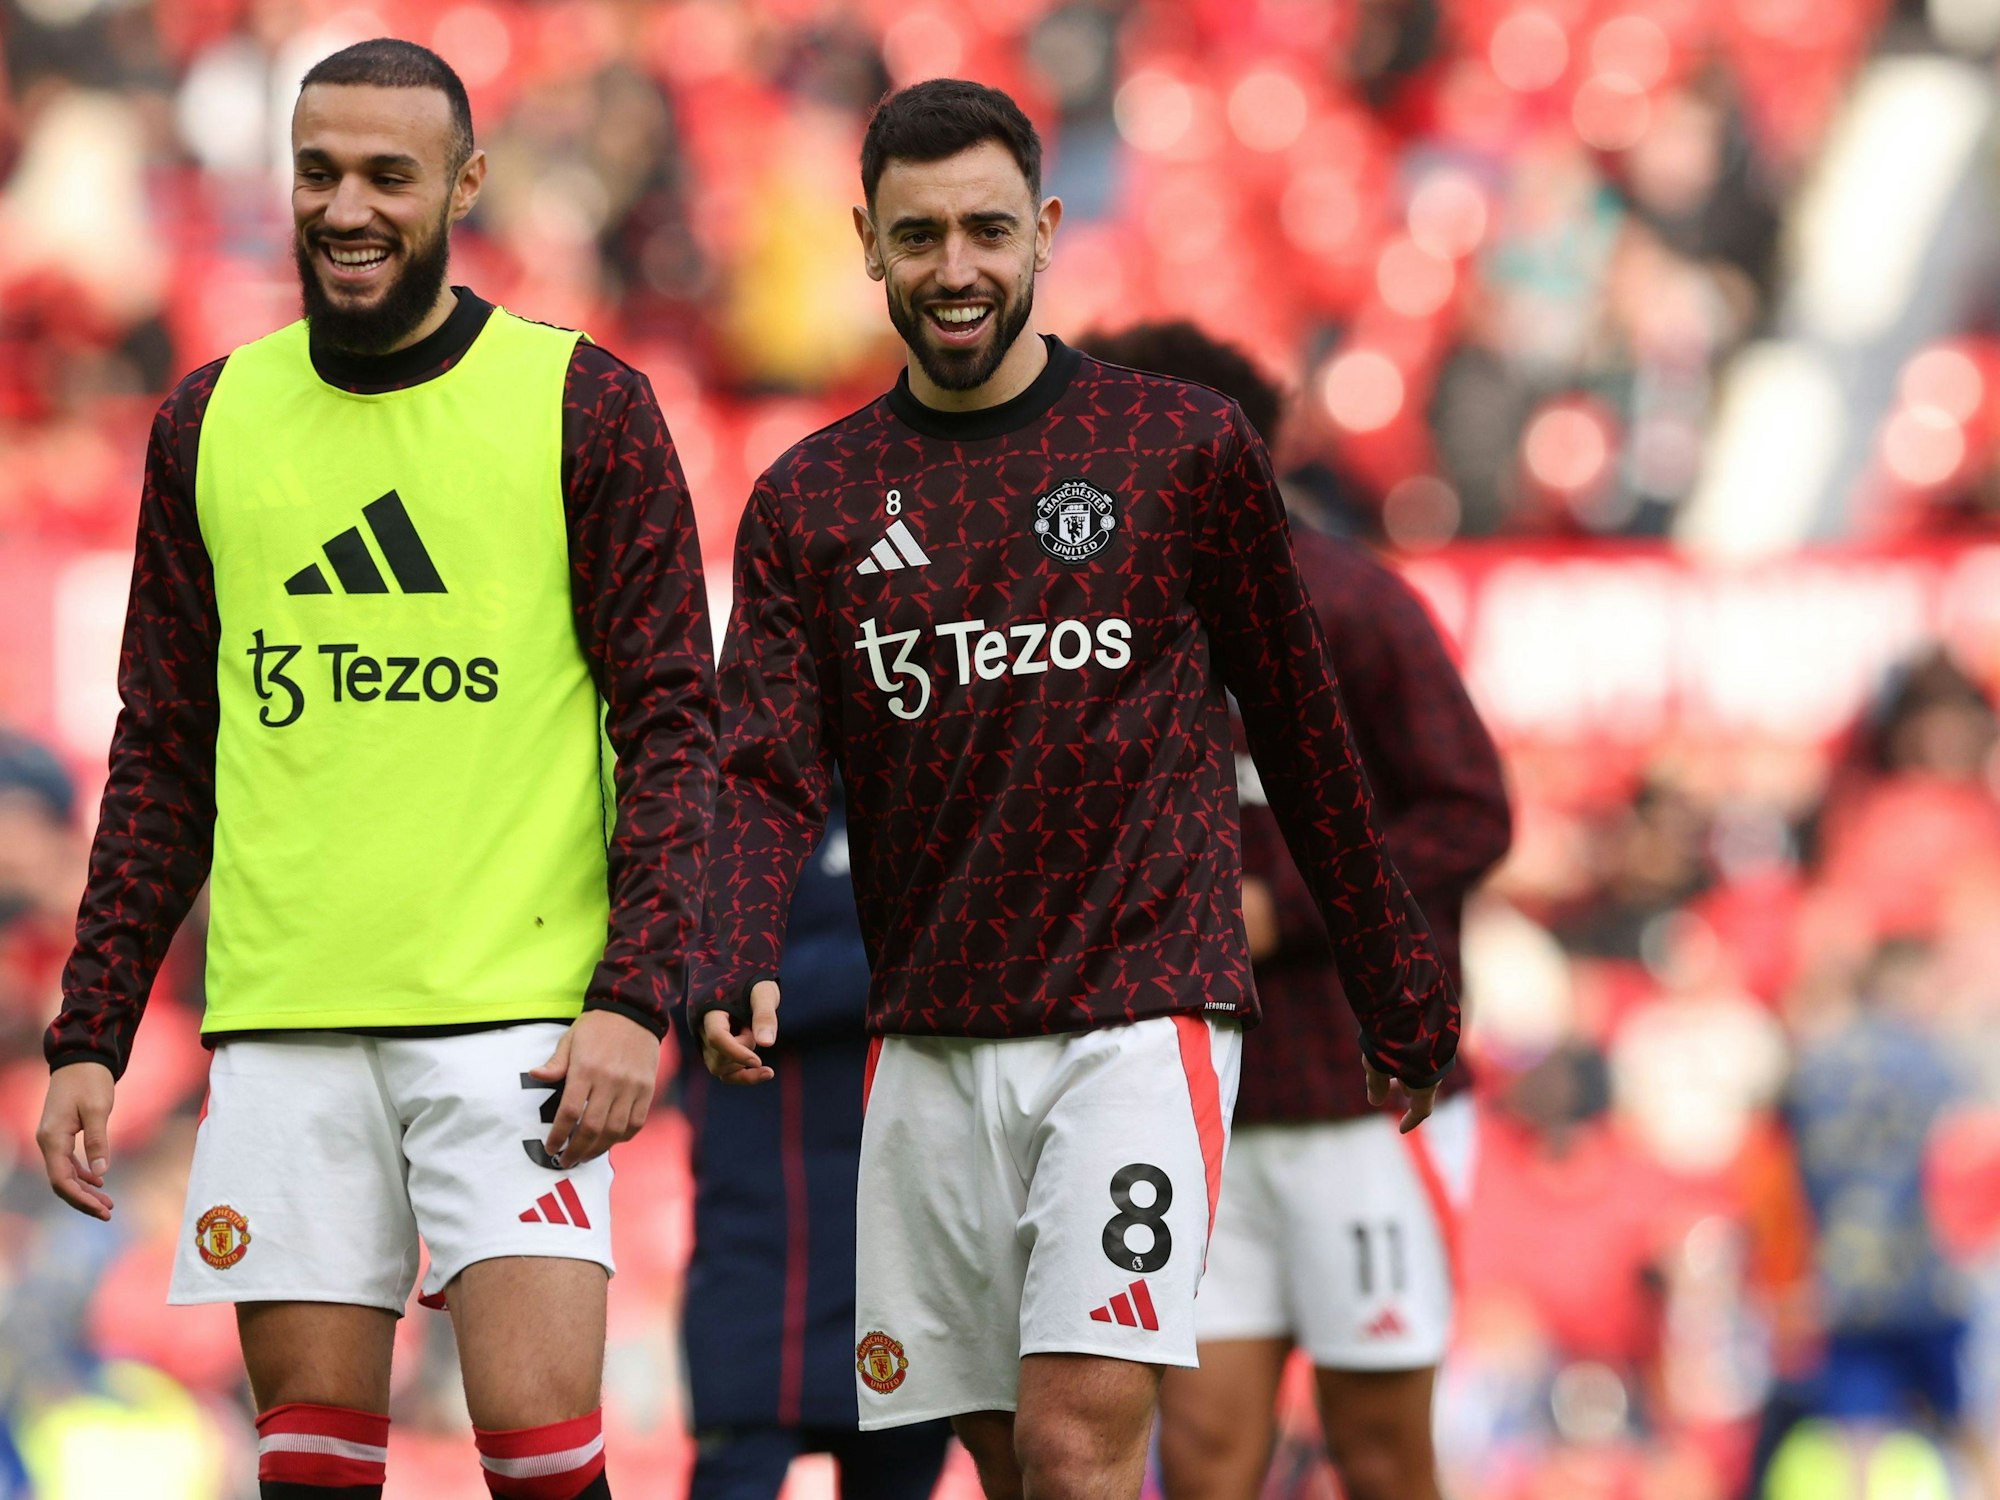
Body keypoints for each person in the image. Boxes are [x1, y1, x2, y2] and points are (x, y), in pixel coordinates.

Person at [695, 78, 1457, 1500]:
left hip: (1134, 1014)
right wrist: (732, 946)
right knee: (1006, 1461)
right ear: (867, 243)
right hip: (926, 1035)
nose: (957, 267)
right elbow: (760, 763)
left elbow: (1301, 734)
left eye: (988, 228)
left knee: (1078, 1440)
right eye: (919, 236)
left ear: (1046, 229)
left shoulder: (1178, 450)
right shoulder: (814, 496)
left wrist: (1393, 975)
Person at [34, 38, 716, 1500]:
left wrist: (635, 994)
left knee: (542, 1461)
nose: (349, 207)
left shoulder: (581, 405)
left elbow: (673, 722)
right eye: (320, 172)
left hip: (516, 1024)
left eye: (389, 176)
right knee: (314, 1474)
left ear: (464, 183)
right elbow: (164, 747)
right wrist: (91, 1027)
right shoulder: (207, 422)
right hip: (287, 1019)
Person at [1074, 324, 1510, 1500]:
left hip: (1359, 1108)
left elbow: (1469, 815)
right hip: (1189, 1112)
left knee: (1378, 1455)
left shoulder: (1355, 608)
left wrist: (1286, 907)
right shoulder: (1102, 629)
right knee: (1207, 1458)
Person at [680, 789, 953, 1499]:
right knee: (733, 1463)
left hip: (907, 1246)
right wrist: (912, 966)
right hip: (755, 1245)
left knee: (901, 1453)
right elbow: (697, 970)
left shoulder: (917, 786)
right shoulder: (722, 806)